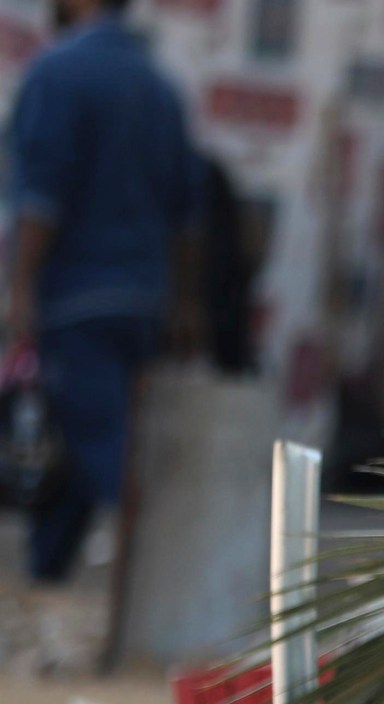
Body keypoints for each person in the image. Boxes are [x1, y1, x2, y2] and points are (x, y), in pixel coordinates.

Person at [4, 0, 199, 583]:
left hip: (77, 297)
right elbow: (188, 211)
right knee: (77, 447)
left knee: (102, 449)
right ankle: (47, 576)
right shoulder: (161, 86)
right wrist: (184, 302)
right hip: (142, 297)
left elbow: (40, 197)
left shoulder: (57, 72)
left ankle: (168, 581)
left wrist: (19, 289)